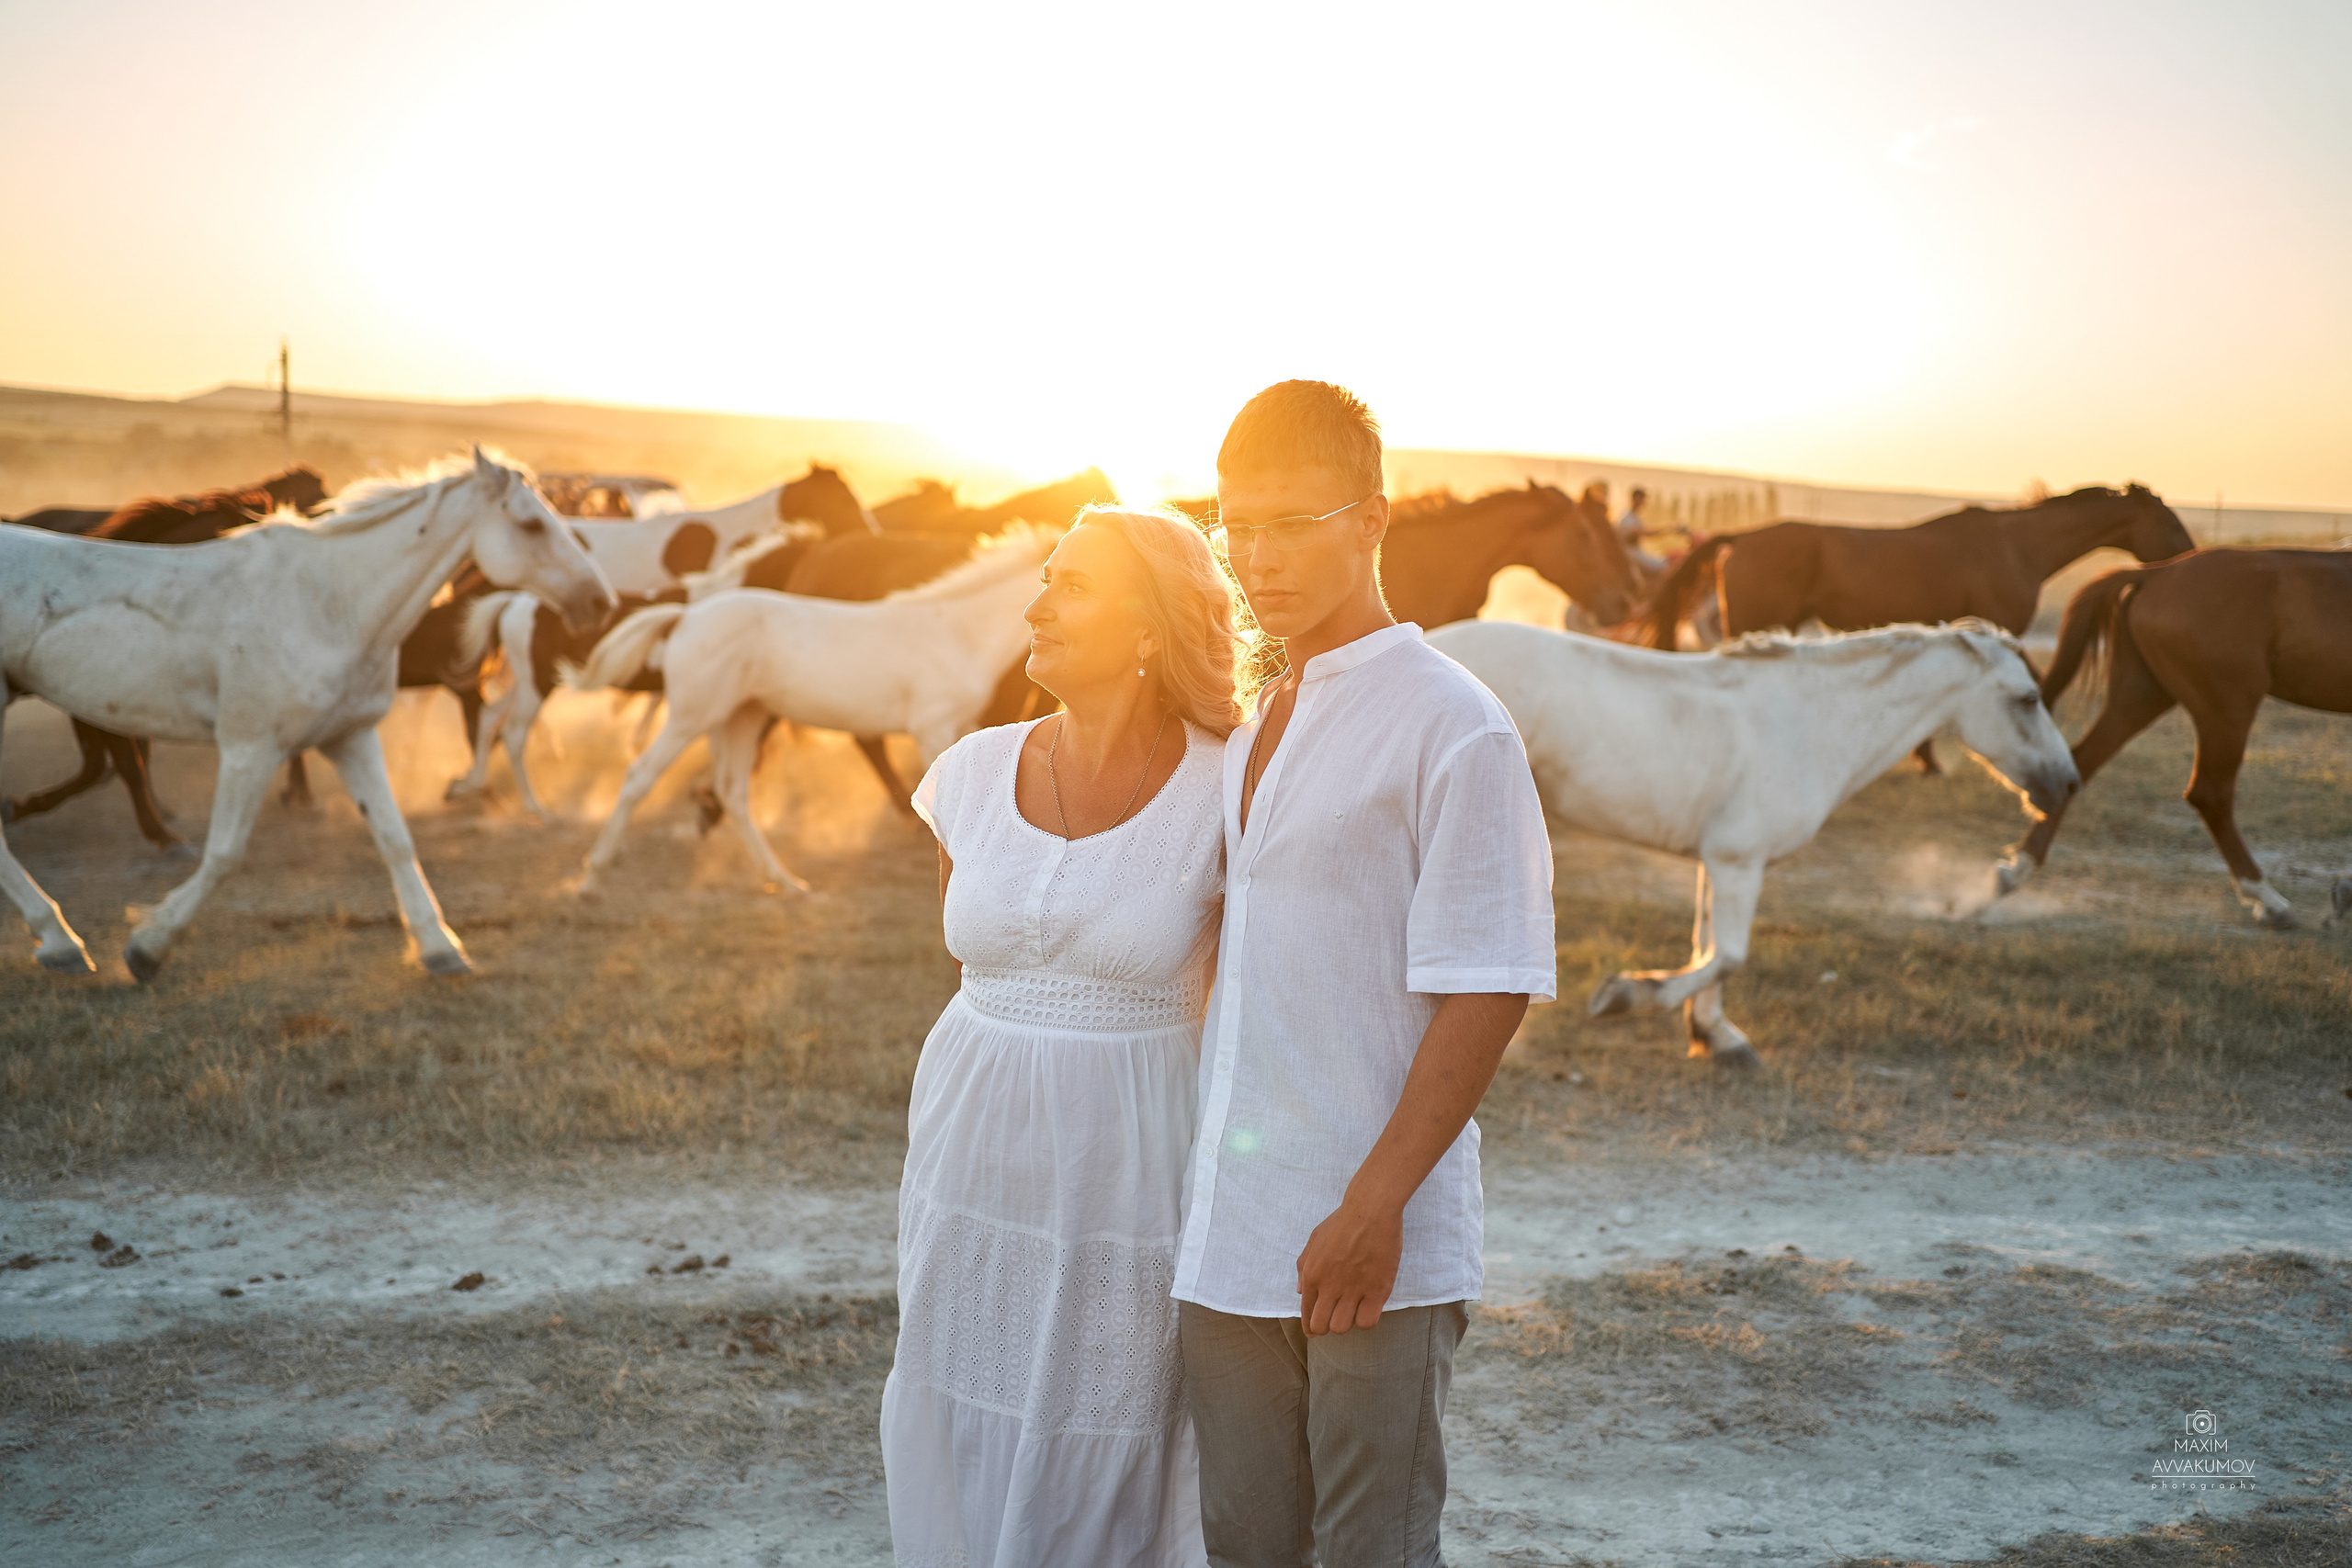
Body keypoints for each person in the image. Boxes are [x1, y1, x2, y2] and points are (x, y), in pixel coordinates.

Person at [1175, 381, 1557, 1568]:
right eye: (1238, 526)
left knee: (1369, 1551)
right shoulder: (1256, 722)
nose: (1259, 558)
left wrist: (1372, 1206)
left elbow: (1490, 985)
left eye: (1294, 523)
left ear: (1373, 520)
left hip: (1370, 1239)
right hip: (1230, 1233)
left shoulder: (1453, 723)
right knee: (1245, 1547)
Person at [881, 505, 1241, 1567]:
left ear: (1150, 628)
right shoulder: (970, 771)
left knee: (1114, 1404)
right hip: (970, 1144)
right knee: (962, 1377)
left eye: (1072, 585)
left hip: (1133, 1158)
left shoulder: (1226, 787)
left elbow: (1241, 996)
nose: (1036, 605)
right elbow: (977, 966)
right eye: (1044, 578)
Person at [1616, 485, 1666, 574]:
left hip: (1636, 553)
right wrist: (1669, 529)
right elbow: (1647, 533)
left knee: (1664, 560)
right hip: (1631, 555)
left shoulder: (1634, 517)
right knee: (1664, 566)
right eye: (1642, 499)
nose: (1643, 502)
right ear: (1635, 498)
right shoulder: (1627, 519)